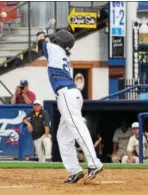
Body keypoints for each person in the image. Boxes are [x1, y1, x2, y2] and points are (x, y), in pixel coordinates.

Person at [36, 22, 103, 183]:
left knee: (77, 128)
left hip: (67, 95)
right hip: (69, 95)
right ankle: (75, 170)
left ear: (59, 42)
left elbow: (39, 40)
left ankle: (94, 163)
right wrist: (50, 33)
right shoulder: (62, 54)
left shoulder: (54, 49)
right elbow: (47, 42)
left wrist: (45, 28)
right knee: (63, 137)